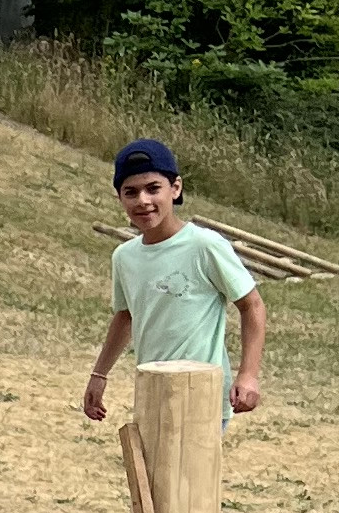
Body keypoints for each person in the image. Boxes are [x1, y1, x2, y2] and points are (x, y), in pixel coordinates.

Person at [81, 140, 266, 422]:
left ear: (175, 188)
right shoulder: (124, 257)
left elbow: (252, 305)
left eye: (153, 188)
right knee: (148, 468)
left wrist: (248, 375)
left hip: (203, 396)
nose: (143, 200)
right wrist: (99, 375)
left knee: (187, 468)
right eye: (131, 192)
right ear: (119, 197)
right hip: (152, 390)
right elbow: (125, 316)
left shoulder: (204, 245)